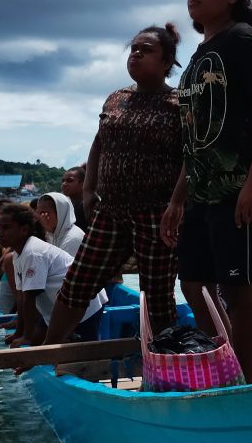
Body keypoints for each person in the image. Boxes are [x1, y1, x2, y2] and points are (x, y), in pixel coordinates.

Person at [160, 0, 252, 384]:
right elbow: (194, 138)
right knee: (193, 284)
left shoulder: (243, 41)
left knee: (239, 290)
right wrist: (178, 200)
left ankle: (249, 384)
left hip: (240, 187)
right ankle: (229, 364)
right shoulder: (198, 58)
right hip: (202, 191)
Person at [42, 23, 185, 346]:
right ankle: (49, 351)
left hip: (156, 214)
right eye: (133, 48)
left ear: (167, 63)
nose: (136, 54)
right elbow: (99, 143)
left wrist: (177, 204)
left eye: (146, 50)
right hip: (112, 211)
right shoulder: (116, 99)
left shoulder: (178, 104)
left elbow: (193, 156)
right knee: (77, 283)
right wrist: (90, 189)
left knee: (158, 295)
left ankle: (163, 361)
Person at [0, 205, 106, 346]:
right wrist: (18, 333)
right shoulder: (18, 254)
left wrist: (26, 337)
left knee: (83, 353)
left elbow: (29, 298)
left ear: (24, 230)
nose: (0, 233)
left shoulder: (32, 253)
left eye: (6, 228)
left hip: (84, 304)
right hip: (60, 308)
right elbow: (22, 296)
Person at [35, 192, 84, 256]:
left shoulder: (73, 238)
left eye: (44, 213)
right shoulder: (51, 235)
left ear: (60, 214)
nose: (40, 217)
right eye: (38, 212)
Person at [60, 166, 89, 231]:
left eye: (69, 180)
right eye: (63, 181)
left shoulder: (87, 207)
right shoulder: (68, 207)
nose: (64, 184)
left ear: (83, 184)